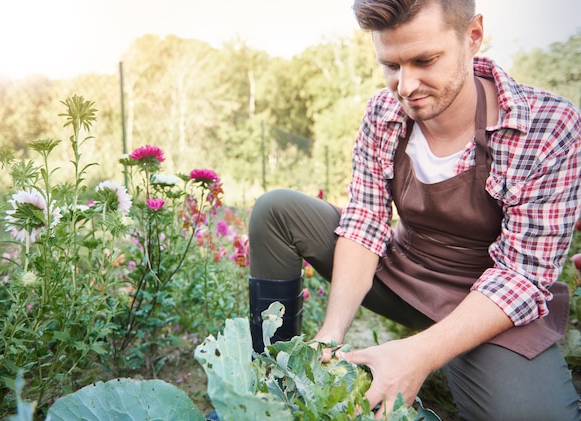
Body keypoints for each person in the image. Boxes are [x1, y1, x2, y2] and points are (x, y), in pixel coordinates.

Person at [247, 0, 581, 419]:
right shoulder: (383, 112)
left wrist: (417, 355)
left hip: (494, 306)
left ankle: (459, 353)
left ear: (473, 35)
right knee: (277, 211)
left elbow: (523, 276)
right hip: (403, 273)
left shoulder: (548, 125)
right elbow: (367, 221)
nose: (405, 86)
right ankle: (272, 384)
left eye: (424, 60)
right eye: (391, 65)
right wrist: (330, 335)